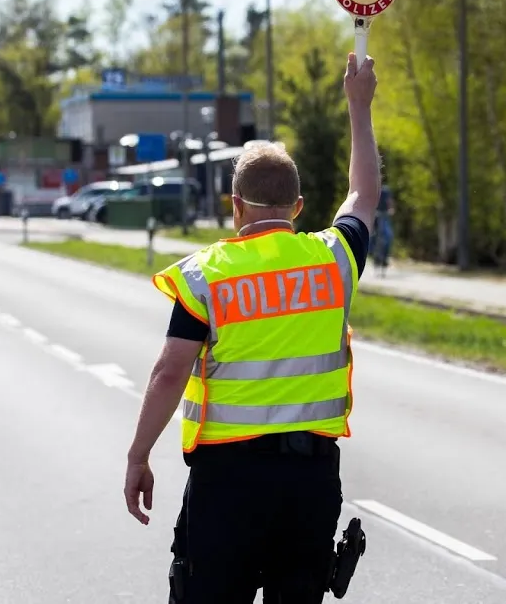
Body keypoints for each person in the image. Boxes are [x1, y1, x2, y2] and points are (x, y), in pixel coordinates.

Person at [123, 51, 380, 603]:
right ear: (299, 206)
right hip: (309, 484)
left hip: (228, 484)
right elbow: (363, 195)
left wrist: (138, 455)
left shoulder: (206, 275)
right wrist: (359, 107)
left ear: (235, 205)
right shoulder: (333, 259)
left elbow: (170, 372)